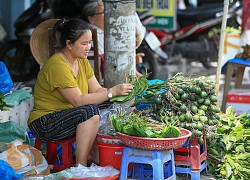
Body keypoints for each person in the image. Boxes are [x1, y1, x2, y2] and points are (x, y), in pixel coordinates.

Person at [28, 18, 134, 166]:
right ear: (69, 44)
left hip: (69, 115)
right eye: (84, 43)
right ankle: (81, 165)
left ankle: (94, 155)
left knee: (110, 107)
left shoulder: (81, 61)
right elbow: (78, 100)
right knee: (89, 111)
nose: (88, 47)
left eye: (90, 43)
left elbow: (97, 90)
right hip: (45, 122)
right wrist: (111, 92)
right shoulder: (57, 65)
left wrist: (118, 95)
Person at [81, 0, 144, 77]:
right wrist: (131, 61)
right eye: (103, 12)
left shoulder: (106, 32)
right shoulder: (94, 34)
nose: (109, 15)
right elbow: (106, 62)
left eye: (109, 11)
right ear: (91, 19)